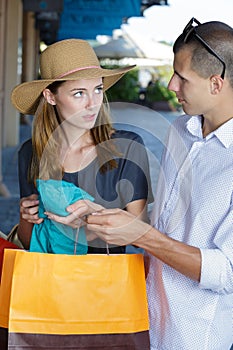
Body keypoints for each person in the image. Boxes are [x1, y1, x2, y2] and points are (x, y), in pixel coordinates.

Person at [65, 19, 233, 349]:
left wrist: (140, 234)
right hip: (143, 318)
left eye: (182, 78)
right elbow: (171, 219)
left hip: (191, 337)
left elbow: (226, 273)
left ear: (216, 83)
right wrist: (108, 217)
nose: (171, 85)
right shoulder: (179, 130)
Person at [11, 38, 153, 253]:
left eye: (97, 89)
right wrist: (26, 217)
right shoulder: (30, 153)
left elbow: (141, 234)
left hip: (105, 282)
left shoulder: (127, 148)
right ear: (50, 96)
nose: (93, 103)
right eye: (79, 93)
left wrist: (92, 221)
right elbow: (28, 241)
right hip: (49, 282)